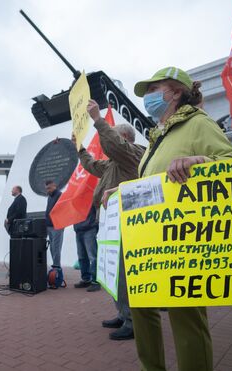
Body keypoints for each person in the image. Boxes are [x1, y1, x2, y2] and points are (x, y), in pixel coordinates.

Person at [128, 66, 232, 370]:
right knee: (140, 306)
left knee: (185, 314)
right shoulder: (156, 136)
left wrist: (198, 161)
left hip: (182, 238)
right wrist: (122, 190)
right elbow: (153, 182)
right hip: (148, 239)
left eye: (154, 90)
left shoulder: (198, 123)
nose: (148, 98)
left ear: (175, 92)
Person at [74, 100, 146, 340]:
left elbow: (114, 145)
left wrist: (97, 119)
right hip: (110, 225)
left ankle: (134, 321)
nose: (107, 142)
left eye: (112, 137)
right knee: (113, 273)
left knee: (124, 275)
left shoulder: (134, 154)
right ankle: (123, 313)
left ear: (125, 138)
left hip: (127, 225)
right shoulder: (114, 163)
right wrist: (79, 148)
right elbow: (91, 165)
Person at [72, 205, 100, 292]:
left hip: (89, 228)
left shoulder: (90, 195)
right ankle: (86, 279)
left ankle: (96, 282)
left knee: (93, 257)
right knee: (82, 257)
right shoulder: (76, 199)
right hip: (79, 229)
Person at [45, 180, 64, 268]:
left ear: (54, 186)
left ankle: (57, 266)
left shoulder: (60, 195)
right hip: (49, 225)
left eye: (49, 188)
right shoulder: (50, 197)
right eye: (46, 189)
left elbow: (60, 210)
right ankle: (55, 265)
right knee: (52, 247)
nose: (48, 190)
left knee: (56, 247)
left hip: (57, 225)